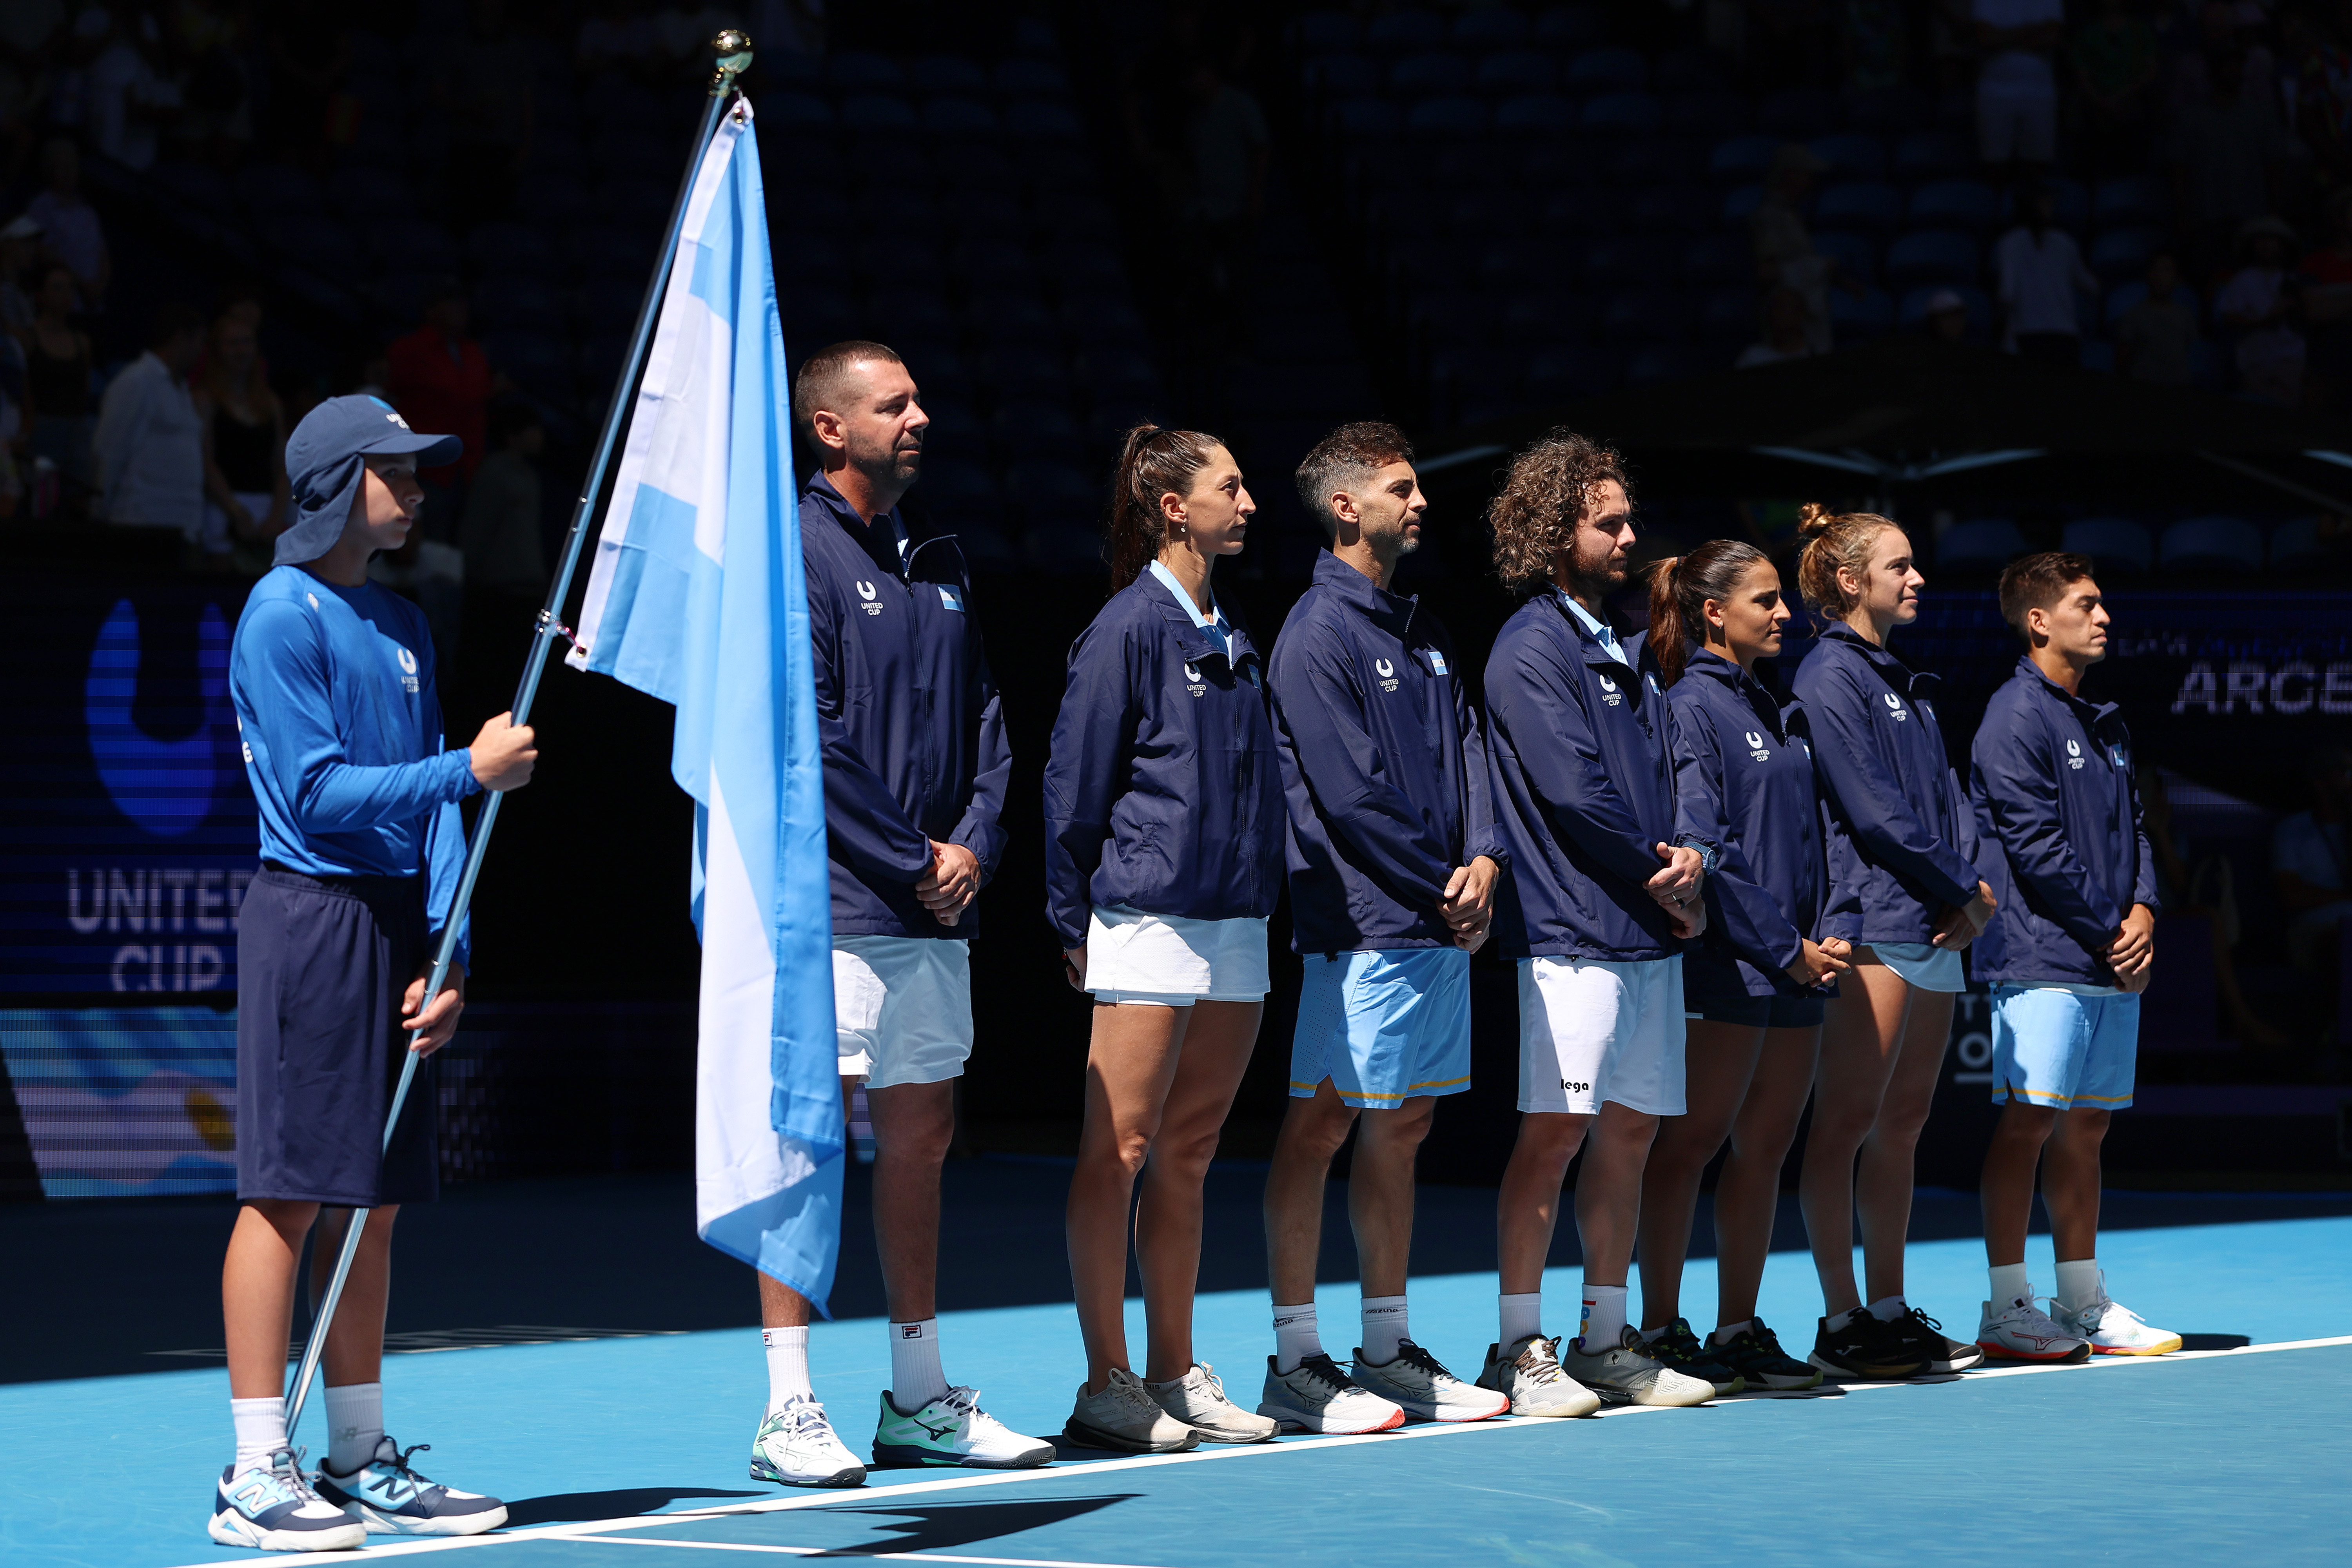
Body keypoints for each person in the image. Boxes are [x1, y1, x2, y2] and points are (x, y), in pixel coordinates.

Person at [215, 395, 537, 1550]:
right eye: (397, 466)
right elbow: (312, 794)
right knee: (288, 1192)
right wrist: (467, 766)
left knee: (372, 1204)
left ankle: (358, 1456)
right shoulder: (276, 612)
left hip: (400, 926)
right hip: (309, 920)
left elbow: (445, 812)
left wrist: (450, 949)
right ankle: (255, 1468)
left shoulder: (404, 619)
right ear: (341, 480)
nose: (418, 482)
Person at [747, 341, 1051, 1487]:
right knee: (807, 1147)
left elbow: (986, 716)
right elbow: (808, 733)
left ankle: (918, 1397)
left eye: (920, 396)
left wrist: (973, 842)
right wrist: (909, 853)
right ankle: (788, 1404)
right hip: (834, 903)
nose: (920, 414)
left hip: (934, 904)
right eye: (894, 402)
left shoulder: (940, 553)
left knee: (920, 1144)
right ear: (831, 428)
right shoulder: (797, 552)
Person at [1257, 423, 1517, 1434]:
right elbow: (1349, 796)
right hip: (1362, 926)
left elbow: (1471, 756)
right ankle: (1294, 1357)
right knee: (1320, 1125)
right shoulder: (1315, 634)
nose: (1420, 504)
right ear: (1345, 506)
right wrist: (1450, 884)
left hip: (1436, 919)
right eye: (1400, 489)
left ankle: (1384, 1346)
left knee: (1402, 1125)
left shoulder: (1427, 628)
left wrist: (1487, 861)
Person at [1044, 424, 1285, 1453]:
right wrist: (1070, 918)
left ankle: (1175, 1371)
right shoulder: (1127, 629)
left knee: (1189, 1151)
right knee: (1123, 1151)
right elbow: (1072, 787)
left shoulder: (1233, 634)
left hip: (1236, 926)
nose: (1250, 502)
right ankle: (1107, 1383)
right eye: (1231, 486)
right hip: (1145, 920)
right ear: (1173, 507)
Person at [1478, 430, 1718, 1410]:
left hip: (1647, 934)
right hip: (1573, 938)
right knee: (1555, 1138)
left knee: (1626, 1140)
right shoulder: (1529, 646)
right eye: (1604, 521)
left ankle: (1606, 1339)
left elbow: (1682, 768)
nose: (1628, 536)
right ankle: (1516, 1346)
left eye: (1629, 519)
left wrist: (1695, 853)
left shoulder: (1624, 647)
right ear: (1552, 531)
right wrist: (1667, 876)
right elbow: (1574, 793)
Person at [1635, 542, 1853, 1394]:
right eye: (1765, 600)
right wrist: (1784, 945)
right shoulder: (1689, 705)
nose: (1784, 613)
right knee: (1689, 1147)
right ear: (1714, 612)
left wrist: (1832, 930)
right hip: (1733, 965)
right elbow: (1707, 844)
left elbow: (1823, 834)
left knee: (1764, 1146)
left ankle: (1736, 1329)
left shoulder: (1782, 706)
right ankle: (1658, 1326)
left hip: (1800, 963)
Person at [1789, 505, 1996, 1381]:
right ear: (1850, 581)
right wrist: (1964, 887)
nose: (1917, 579)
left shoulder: (1902, 678)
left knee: (1903, 1125)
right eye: (1899, 566)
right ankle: (1841, 1320)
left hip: (1936, 924)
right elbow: (1874, 810)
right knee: (1844, 1124)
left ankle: (1886, 1306)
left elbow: (1951, 804)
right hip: (1875, 923)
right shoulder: (1827, 674)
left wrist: (1976, 897)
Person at [1971, 552, 2178, 1360]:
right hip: (2040, 954)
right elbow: (2033, 846)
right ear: (2038, 620)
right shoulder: (2012, 716)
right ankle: (2006, 1305)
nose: (2104, 618)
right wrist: (2111, 928)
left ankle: (2084, 1299)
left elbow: (2136, 832)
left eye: (2102, 604)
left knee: (2086, 1127)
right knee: (2029, 1125)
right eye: (2086, 605)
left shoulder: (2107, 721)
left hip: (2104, 953)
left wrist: (2143, 912)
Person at [92, 299, 206, 547]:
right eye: (198, 341)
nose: (201, 350)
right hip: (140, 526)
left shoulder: (182, 388)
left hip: (180, 527)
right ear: (180, 338)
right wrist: (100, 510)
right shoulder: (136, 381)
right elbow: (109, 452)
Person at [196, 301, 289, 564]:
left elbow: (282, 465)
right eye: (232, 343)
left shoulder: (271, 403)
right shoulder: (205, 400)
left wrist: (277, 515)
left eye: (247, 342)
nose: (241, 350)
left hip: (267, 509)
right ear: (217, 351)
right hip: (221, 507)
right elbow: (205, 461)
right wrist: (234, 511)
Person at [1992, 184, 2096, 362]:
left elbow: (2006, 295)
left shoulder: (2063, 243)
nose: (2050, 209)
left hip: (2047, 335)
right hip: (2039, 335)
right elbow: (2092, 286)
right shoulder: (2014, 243)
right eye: (2045, 204)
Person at [2270, 746, 2352, 971]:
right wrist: (2345, 895)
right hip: (2317, 930)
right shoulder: (2292, 829)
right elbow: (2291, 896)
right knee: (2344, 946)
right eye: (2346, 774)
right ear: (2320, 782)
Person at [22, 261, 94, 502]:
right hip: (42, 427)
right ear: (40, 295)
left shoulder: (81, 342)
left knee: (76, 499)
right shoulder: (28, 339)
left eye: (70, 288)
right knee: (41, 500)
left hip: (75, 427)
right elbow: (24, 390)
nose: (65, 295)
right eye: (57, 288)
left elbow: (84, 387)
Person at [2215, 215, 2305, 406]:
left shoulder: (2294, 280)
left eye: (2272, 239)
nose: (2266, 245)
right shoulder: (2243, 280)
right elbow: (2229, 319)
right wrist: (2263, 321)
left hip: (2291, 360)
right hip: (2255, 363)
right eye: (2261, 240)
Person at [1972, 0, 2065, 181]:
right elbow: (1985, 39)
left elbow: (2053, 37)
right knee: (1994, 167)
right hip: (1994, 92)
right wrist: (2033, 31)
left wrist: (2002, 38)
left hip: (2040, 92)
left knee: (2037, 169)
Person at [24, 136, 108, 310]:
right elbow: (42, 251)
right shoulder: (41, 206)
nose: (68, 172)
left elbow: (103, 254)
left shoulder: (87, 210)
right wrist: (80, 283)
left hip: (92, 303)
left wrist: (97, 288)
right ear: (50, 170)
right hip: (60, 305)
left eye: (72, 165)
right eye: (62, 166)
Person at [2115, 251, 2199, 385]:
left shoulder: (2186, 316)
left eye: (2167, 271)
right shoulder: (2133, 315)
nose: (2160, 277)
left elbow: (2189, 350)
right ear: (2148, 275)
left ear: (2177, 278)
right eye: (2156, 270)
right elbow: (2123, 358)